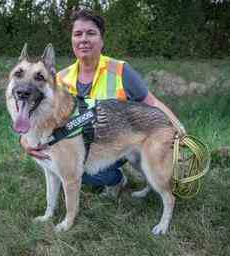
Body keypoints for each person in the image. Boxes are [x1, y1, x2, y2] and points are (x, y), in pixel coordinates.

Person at [20, 9, 185, 195]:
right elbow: (40, 116)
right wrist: (24, 140)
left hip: (117, 140)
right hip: (79, 146)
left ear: (101, 39)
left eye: (91, 33)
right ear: (72, 40)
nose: (84, 39)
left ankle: (117, 175)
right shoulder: (60, 79)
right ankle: (116, 179)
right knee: (74, 167)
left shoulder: (121, 70)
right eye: (78, 34)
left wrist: (179, 130)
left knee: (85, 170)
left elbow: (151, 102)